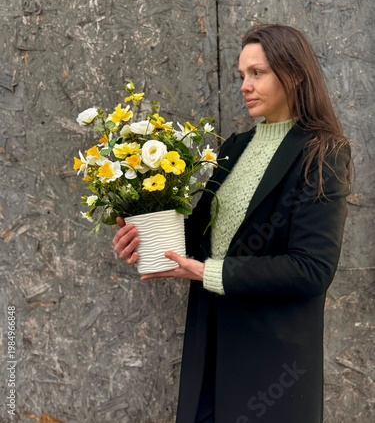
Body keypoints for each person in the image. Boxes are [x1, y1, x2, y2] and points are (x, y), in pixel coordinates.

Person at [112, 24, 351, 423]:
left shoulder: (322, 153)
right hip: (210, 340)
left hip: (272, 361)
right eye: (242, 75)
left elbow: (312, 270)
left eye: (257, 73)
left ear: (293, 73)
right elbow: (200, 238)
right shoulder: (234, 148)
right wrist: (144, 234)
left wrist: (209, 272)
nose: (245, 85)